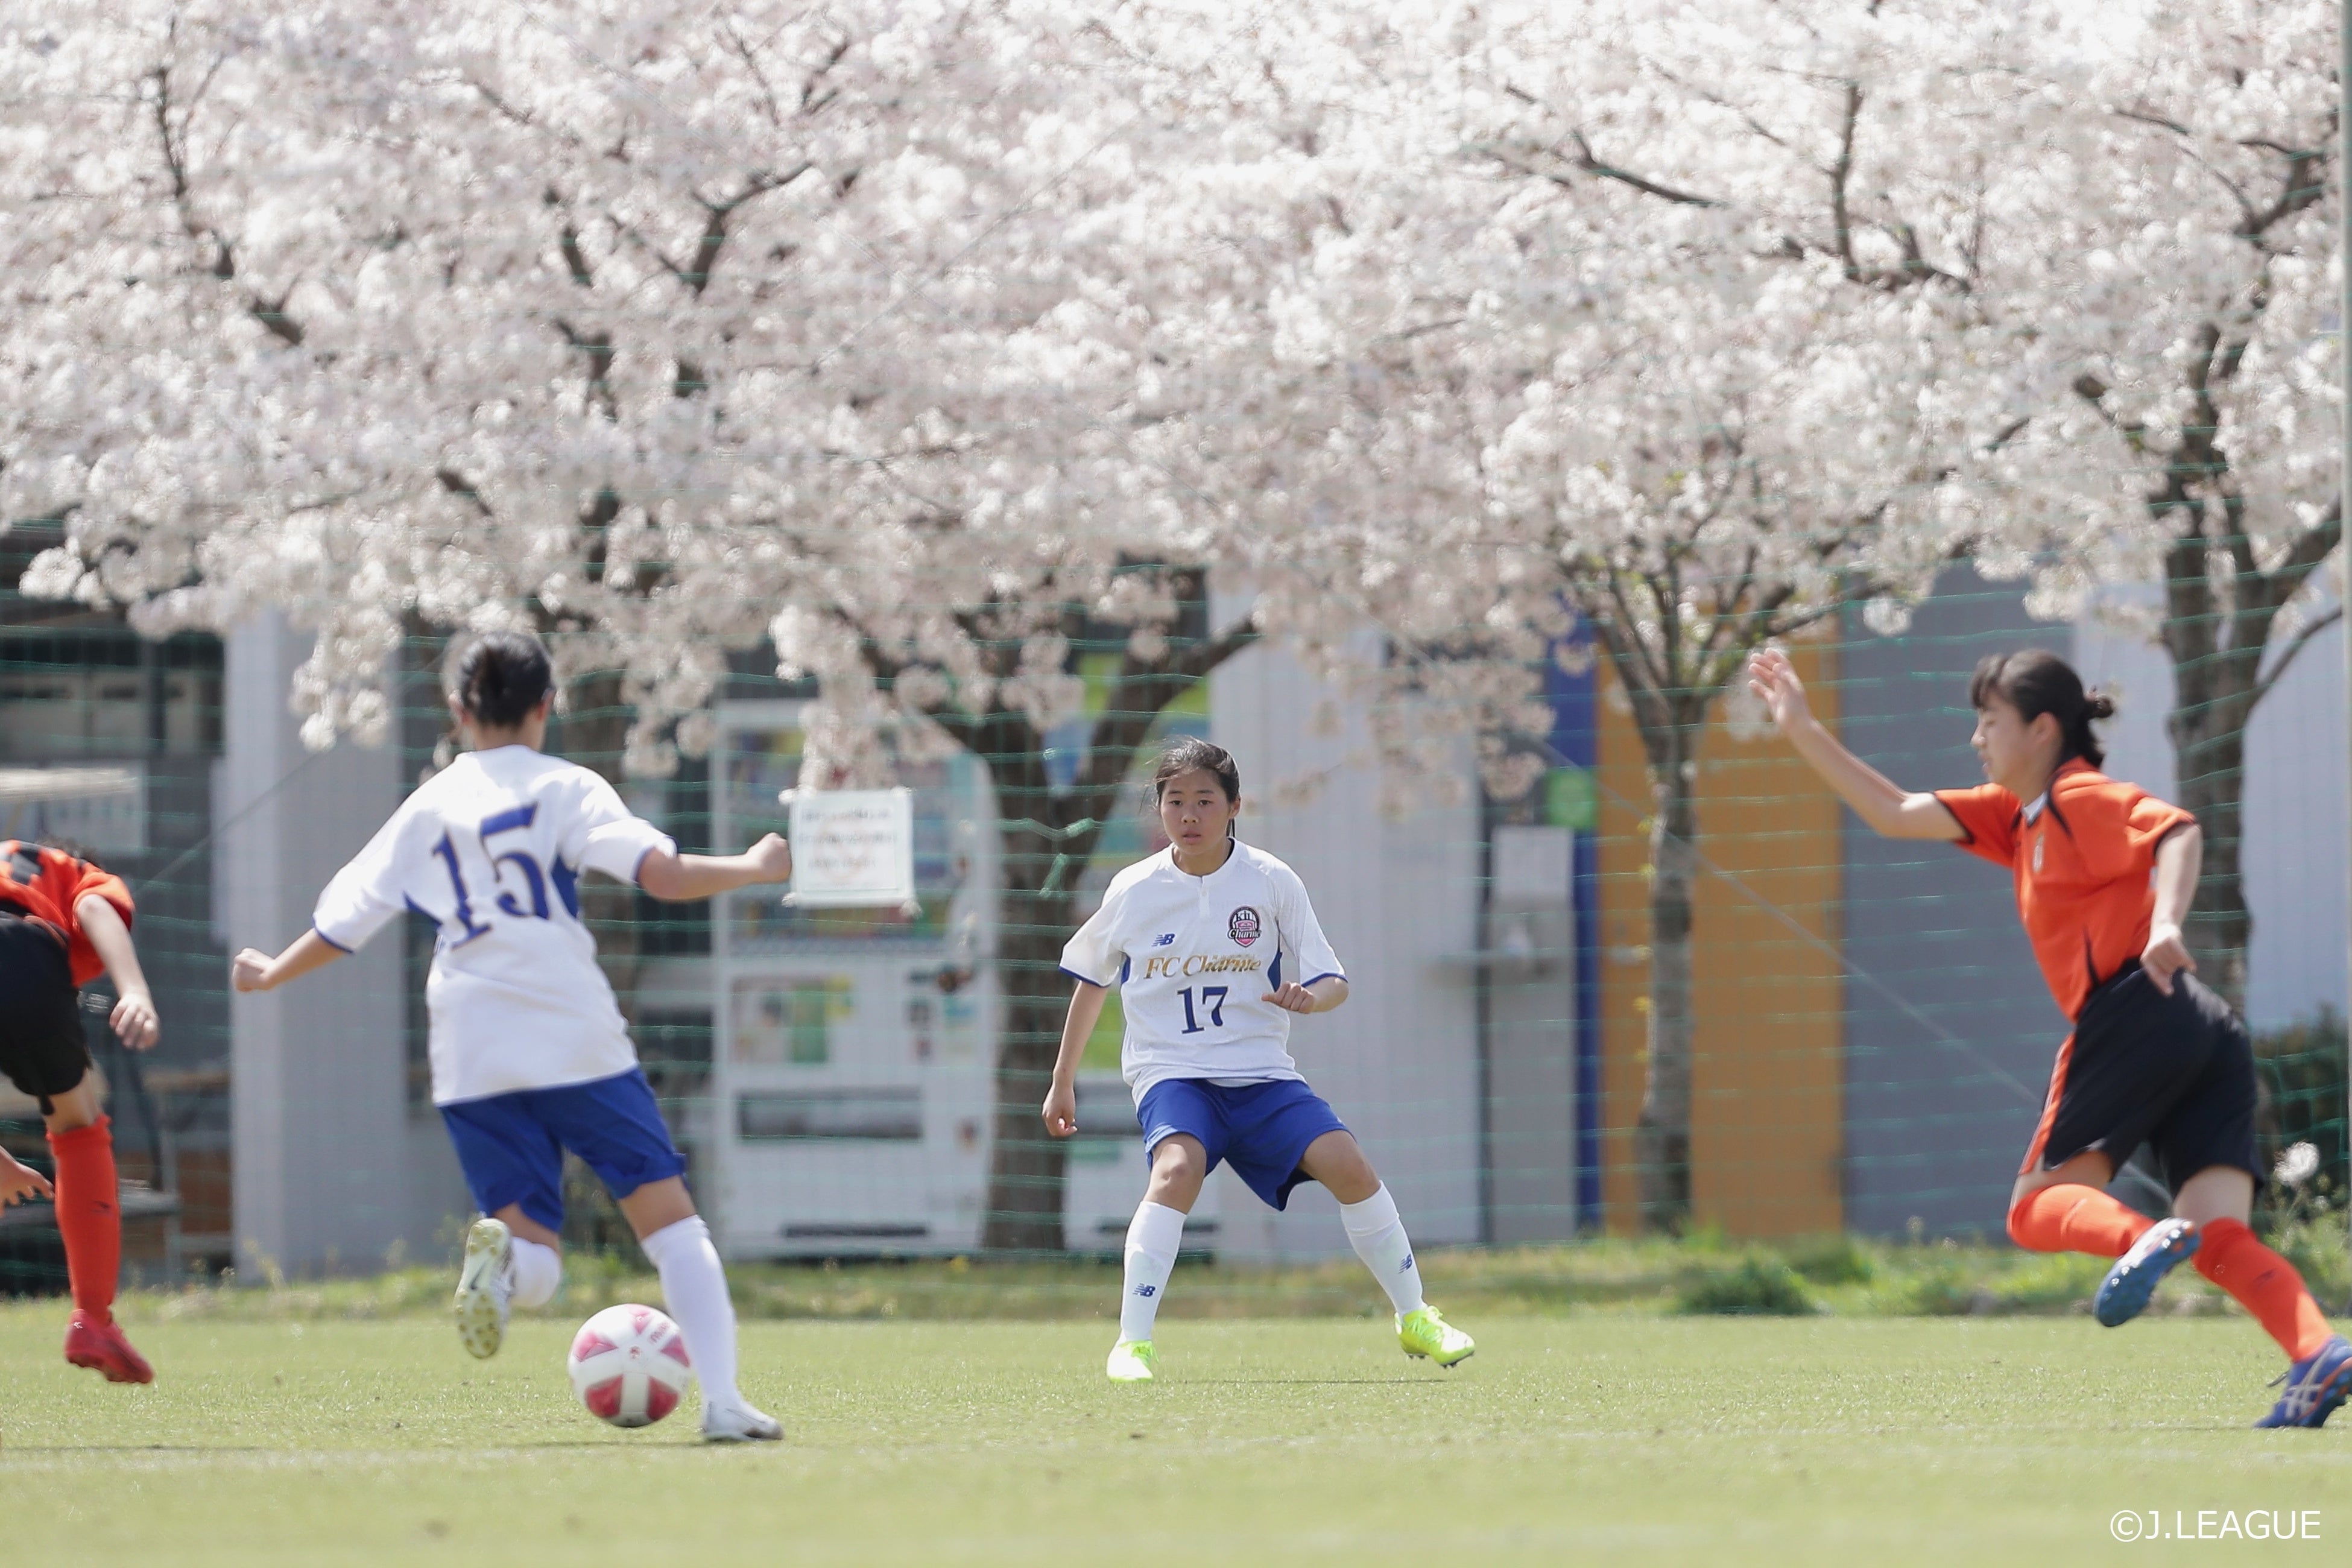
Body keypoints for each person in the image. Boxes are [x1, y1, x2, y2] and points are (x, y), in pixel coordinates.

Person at [1749, 644, 2350, 1429]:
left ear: (2041, 729)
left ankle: (2147, 1237)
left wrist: (2165, 920)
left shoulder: (2078, 795)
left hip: (2135, 1009)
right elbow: (1890, 811)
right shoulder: (2017, 817)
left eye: (1988, 721)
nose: (1977, 738)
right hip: (2201, 1028)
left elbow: (2177, 832)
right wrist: (1798, 723)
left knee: (2036, 1209)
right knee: (2221, 1236)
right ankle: (2317, 1352)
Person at [232, 631, 791, 1442]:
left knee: (537, 1261)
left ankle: (503, 1262)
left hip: (471, 1042)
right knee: (673, 1229)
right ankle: (726, 1404)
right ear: (546, 707)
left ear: (458, 713)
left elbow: (347, 921)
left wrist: (273, 972)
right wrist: (751, 866)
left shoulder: (426, 806)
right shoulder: (568, 786)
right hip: (570, 1028)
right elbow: (664, 876)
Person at [1043, 736, 1475, 1382]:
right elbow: (1090, 981)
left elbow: (1334, 979)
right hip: (1173, 1073)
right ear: (1158, 808)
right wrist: (1062, 1082)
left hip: (1263, 1075)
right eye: (1174, 800)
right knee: (1176, 1169)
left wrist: (1309, 998)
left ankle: (1415, 1315)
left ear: (1234, 805)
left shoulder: (1271, 880)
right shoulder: (1133, 888)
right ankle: (1132, 1343)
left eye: (1204, 800)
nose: (1189, 814)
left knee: (1349, 1165)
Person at [0, 837, 162, 1383]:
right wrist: (134, 990)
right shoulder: (73, 871)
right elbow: (94, 907)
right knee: (77, 1127)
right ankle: (92, 1318)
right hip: (24, 952)